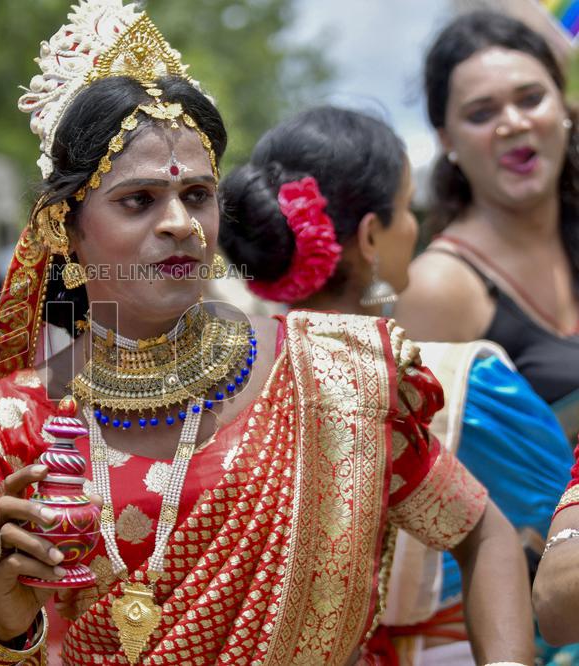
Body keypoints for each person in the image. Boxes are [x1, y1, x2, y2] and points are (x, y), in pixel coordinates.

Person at [0, 2, 533, 664]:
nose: (180, 224)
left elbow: (485, 537)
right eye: (138, 201)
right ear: (65, 232)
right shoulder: (13, 426)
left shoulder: (334, 374)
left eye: (197, 195)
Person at [220, 105, 568, 664]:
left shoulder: (222, 389)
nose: (417, 226)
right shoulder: (463, 387)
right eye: (407, 207)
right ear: (371, 237)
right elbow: (560, 531)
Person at [394, 10, 579, 441]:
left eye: (531, 99)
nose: (513, 123)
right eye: (481, 113)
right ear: (447, 141)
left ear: (563, 107)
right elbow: (424, 484)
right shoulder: (437, 290)